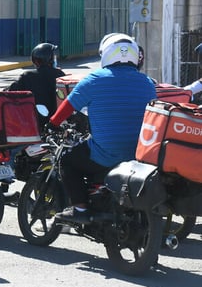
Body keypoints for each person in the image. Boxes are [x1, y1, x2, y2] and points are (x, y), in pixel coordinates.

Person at [49, 33, 156, 224]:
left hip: (106, 154)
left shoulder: (94, 79)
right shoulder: (147, 83)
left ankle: (80, 209)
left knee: (67, 161)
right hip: (138, 155)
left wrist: (52, 124)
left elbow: (66, 107)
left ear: (106, 54)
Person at [6, 43, 65, 128]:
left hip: (33, 121)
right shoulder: (59, 74)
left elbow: (11, 91)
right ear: (50, 58)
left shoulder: (27, 76)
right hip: (55, 121)